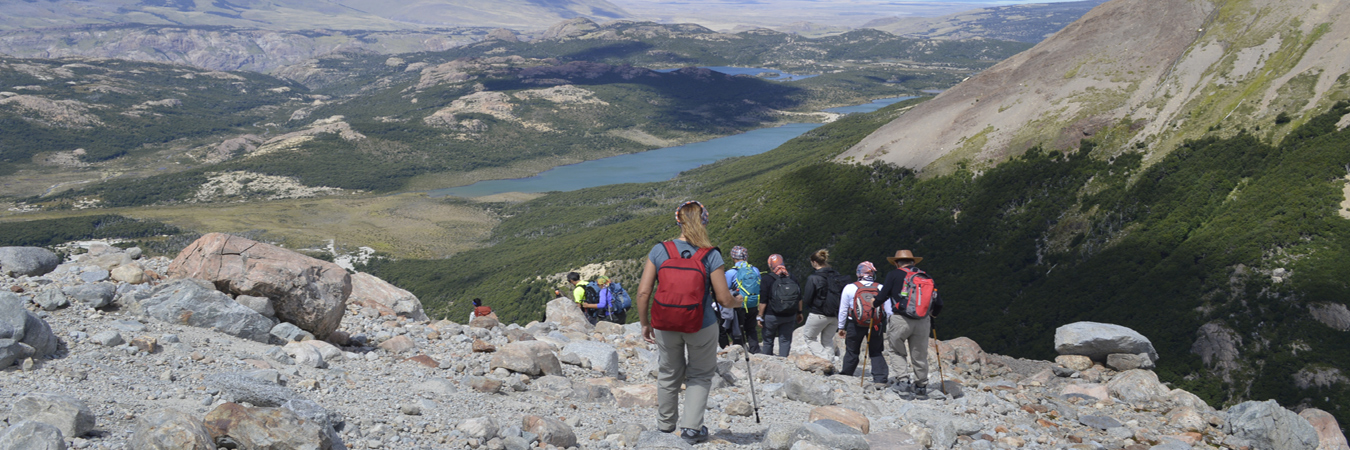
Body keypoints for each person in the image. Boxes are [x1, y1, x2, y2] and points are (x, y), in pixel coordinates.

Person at [635, 201, 738, 444]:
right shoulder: (710, 254)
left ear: (677, 220)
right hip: (701, 324)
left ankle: (665, 426)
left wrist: (644, 323)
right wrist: (738, 301)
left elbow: (643, 292)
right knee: (700, 375)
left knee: (669, 372)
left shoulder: (660, 250)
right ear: (705, 221)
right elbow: (723, 298)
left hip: (665, 323)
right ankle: (691, 429)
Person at [874, 249, 943, 400]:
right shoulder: (926, 277)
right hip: (922, 321)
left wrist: (875, 304)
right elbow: (938, 302)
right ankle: (921, 387)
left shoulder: (894, 274)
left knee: (897, 351)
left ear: (896, 263)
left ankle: (903, 382)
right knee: (919, 354)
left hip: (900, 319)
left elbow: (883, 295)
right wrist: (932, 316)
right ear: (913, 262)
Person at [836, 262, 888, 384]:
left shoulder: (850, 287)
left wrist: (841, 327)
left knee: (852, 350)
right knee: (876, 351)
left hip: (855, 324)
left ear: (858, 273)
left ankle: (847, 374)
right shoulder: (880, 287)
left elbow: (843, 309)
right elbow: (887, 308)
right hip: (876, 324)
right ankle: (880, 378)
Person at [799, 249, 843, 356]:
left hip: (818, 313)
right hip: (835, 314)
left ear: (814, 262)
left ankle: (826, 360)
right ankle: (831, 365)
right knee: (827, 341)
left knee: (809, 338)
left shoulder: (813, 278)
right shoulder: (837, 276)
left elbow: (808, 298)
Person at [719, 245, 761, 353]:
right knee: (751, 329)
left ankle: (740, 351)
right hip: (753, 303)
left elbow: (725, 290)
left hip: (739, 305)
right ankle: (755, 351)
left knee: (737, 330)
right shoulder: (755, 270)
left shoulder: (731, 273)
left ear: (733, 258)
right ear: (746, 257)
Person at [758, 253, 800, 356]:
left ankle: (768, 362)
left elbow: (763, 301)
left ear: (770, 265)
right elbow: (799, 297)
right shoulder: (792, 278)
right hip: (789, 315)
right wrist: (800, 312)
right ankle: (783, 362)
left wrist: (760, 316)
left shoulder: (766, 279)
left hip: (771, 316)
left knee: (768, 340)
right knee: (785, 340)